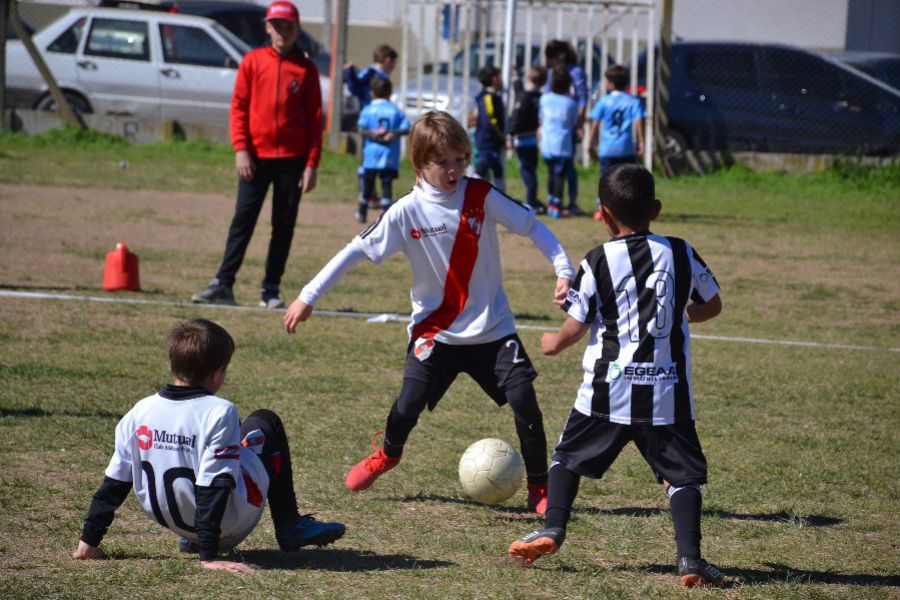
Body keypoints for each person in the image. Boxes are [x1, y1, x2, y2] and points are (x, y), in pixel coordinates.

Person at [284, 111, 576, 514]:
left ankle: (540, 487)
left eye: (460, 159)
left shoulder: (481, 196)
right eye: (443, 162)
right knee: (407, 405)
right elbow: (355, 251)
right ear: (420, 164)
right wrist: (308, 296)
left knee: (525, 400)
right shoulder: (405, 211)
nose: (454, 169)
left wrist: (563, 270)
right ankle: (388, 453)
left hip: (493, 330)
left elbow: (533, 227)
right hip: (435, 332)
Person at [508, 164, 725, 588]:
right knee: (681, 477)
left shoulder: (597, 259)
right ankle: (691, 560)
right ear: (656, 210)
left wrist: (554, 341)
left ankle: (552, 528)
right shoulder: (681, 252)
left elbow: (578, 322)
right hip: (666, 392)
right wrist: (684, 315)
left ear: (603, 215)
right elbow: (713, 304)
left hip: (608, 391)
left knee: (567, 458)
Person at [72, 319, 345, 574]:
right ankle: (289, 525)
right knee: (264, 421)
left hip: (176, 522)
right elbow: (213, 484)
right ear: (217, 374)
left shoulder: (140, 410)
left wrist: (89, 541)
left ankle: (190, 538)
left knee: (214, 446)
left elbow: (114, 482)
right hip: (230, 521)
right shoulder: (219, 411)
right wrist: (209, 556)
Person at [192, 1, 322, 309]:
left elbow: (316, 120)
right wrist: (241, 150)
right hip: (254, 158)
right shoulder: (252, 62)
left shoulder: (306, 69)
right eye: (277, 26)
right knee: (243, 220)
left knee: (283, 225)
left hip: (292, 160)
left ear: (296, 29)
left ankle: (270, 289)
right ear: (267, 27)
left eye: (288, 26)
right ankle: (223, 283)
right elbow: (238, 108)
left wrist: (312, 164)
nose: (282, 32)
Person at [588, 64, 646, 221]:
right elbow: (639, 121)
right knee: (627, 180)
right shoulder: (633, 101)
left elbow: (595, 122)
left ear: (611, 82)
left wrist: (590, 141)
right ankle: (626, 209)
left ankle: (602, 209)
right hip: (626, 147)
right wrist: (641, 142)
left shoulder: (604, 101)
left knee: (605, 179)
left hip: (607, 148)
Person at [345, 44, 398, 212]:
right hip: (369, 123)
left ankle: (378, 196)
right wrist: (349, 72)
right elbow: (354, 87)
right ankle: (369, 195)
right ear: (388, 60)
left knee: (382, 159)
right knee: (368, 160)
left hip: (381, 124)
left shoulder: (382, 75)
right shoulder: (370, 73)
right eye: (393, 62)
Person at [353, 77, 411, 223]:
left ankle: (362, 212)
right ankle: (386, 215)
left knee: (368, 184)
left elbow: (361, 128)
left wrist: (373, 134)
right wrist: (394, 133)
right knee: (387, 184)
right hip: (389, 155)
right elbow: (406, 128)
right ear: (390, 93)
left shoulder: (368, 110)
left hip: (371, 155)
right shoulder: (396, 111)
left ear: (372, 93)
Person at [544, 40, 587, 216]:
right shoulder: (551, 73)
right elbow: (547, 94)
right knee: (556, 167)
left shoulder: (576, 72)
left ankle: (571, 200)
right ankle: (554, 200)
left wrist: (578, 123)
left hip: (569, 125)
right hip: (555, 127)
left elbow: (582, 99)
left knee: (567, 166)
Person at [539, 69, 580, 219]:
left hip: (547, 142)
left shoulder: (544, 99)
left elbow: (541, 117)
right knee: (559, 175)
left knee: (551, 173)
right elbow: (573, 122)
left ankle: (551, 202)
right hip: (563, 144)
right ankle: (557, 204)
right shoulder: (571, 103)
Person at [508, 66, 548, 215]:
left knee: (527, 172)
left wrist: (510, 134)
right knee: (530, 170)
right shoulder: (539, 97)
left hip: (523, 139)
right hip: (532, 139)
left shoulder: (525, 97)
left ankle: (531, 201)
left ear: (529, 78)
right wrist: (516, 77)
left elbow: (517, 116)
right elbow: (520, 91)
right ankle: (533, 199)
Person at [469, 65, 507, 191]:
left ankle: (502, 197)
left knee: (497, 169)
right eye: (501, 77)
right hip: (488, 140)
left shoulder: (492, 96)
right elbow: (489, 122)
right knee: (482, 166)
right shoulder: (488, 98)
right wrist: (502, 138)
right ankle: (469, 189)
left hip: (492, 141)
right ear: (495, 79)